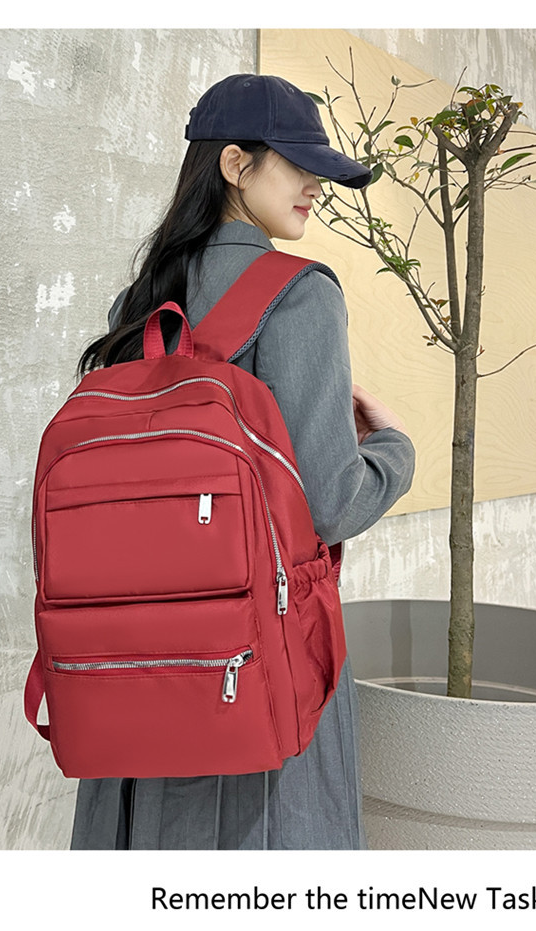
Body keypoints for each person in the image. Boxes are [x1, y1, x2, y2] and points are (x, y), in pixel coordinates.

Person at [70, 74, 415, 850]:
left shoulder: (140, 303)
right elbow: (329, 503)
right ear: (234, 164)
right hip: (251, 672)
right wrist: (393, 450)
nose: (317, 187)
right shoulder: (300, 295)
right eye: (300, 165)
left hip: (133, 667)